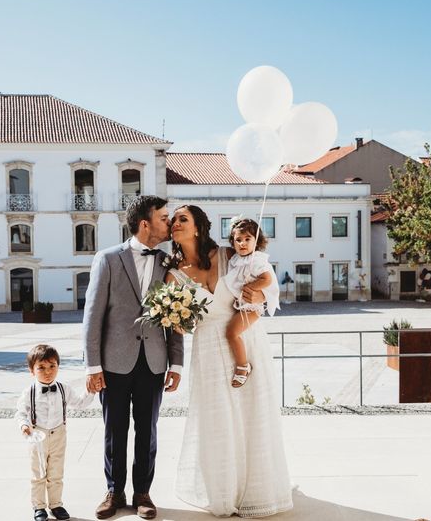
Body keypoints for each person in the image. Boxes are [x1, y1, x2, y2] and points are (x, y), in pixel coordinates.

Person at [166, 205, 293, 518]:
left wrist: (258, 296)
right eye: (172, 221)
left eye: (183, 218)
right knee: (218, 421)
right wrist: (173, 320)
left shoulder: (229, 255)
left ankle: (258, 491)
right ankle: (224, 492)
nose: (175, 224)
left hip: (245, 339)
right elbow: (182, 326)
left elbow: (267, 284)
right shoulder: (173, 274)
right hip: (208, 348)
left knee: (253, 414)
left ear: (198, 227)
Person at [82, 195, 185, 520]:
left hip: (153, 361)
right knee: (115, 429)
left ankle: (143, 493)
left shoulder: (169, 262)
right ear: (145, 223)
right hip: (113, 363)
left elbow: (176, 316)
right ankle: (114, 492)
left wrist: (177, 362)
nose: (169, 223)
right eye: (164, 218)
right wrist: (92, 365)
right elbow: (92, 316)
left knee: (147, 430)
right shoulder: (108, 259)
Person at [16, 344, 96, 521]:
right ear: (32, 371)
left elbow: (80, 403)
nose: (48, 372)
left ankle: (56, 504)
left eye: (52, 366)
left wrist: (90, 391)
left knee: (56, 472)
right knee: (38, 473)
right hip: (37, 436)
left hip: (59, 433)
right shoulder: (29, 392)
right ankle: (38, 506)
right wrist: (24, 425)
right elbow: (21, 411)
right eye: (41, 368)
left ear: (58, 366)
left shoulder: (63, 389)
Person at [221, 217, 280, 388]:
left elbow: (267, 279)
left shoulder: (257, 260)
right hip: (241, 306)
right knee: (233, 333)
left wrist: (251, 287)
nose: (242, 243)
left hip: (252, 307)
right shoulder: (236, 260)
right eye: (238, 240)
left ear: (257, 241)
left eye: (248, 239)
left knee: (231, 333)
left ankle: (242, 366)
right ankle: (242, 363)